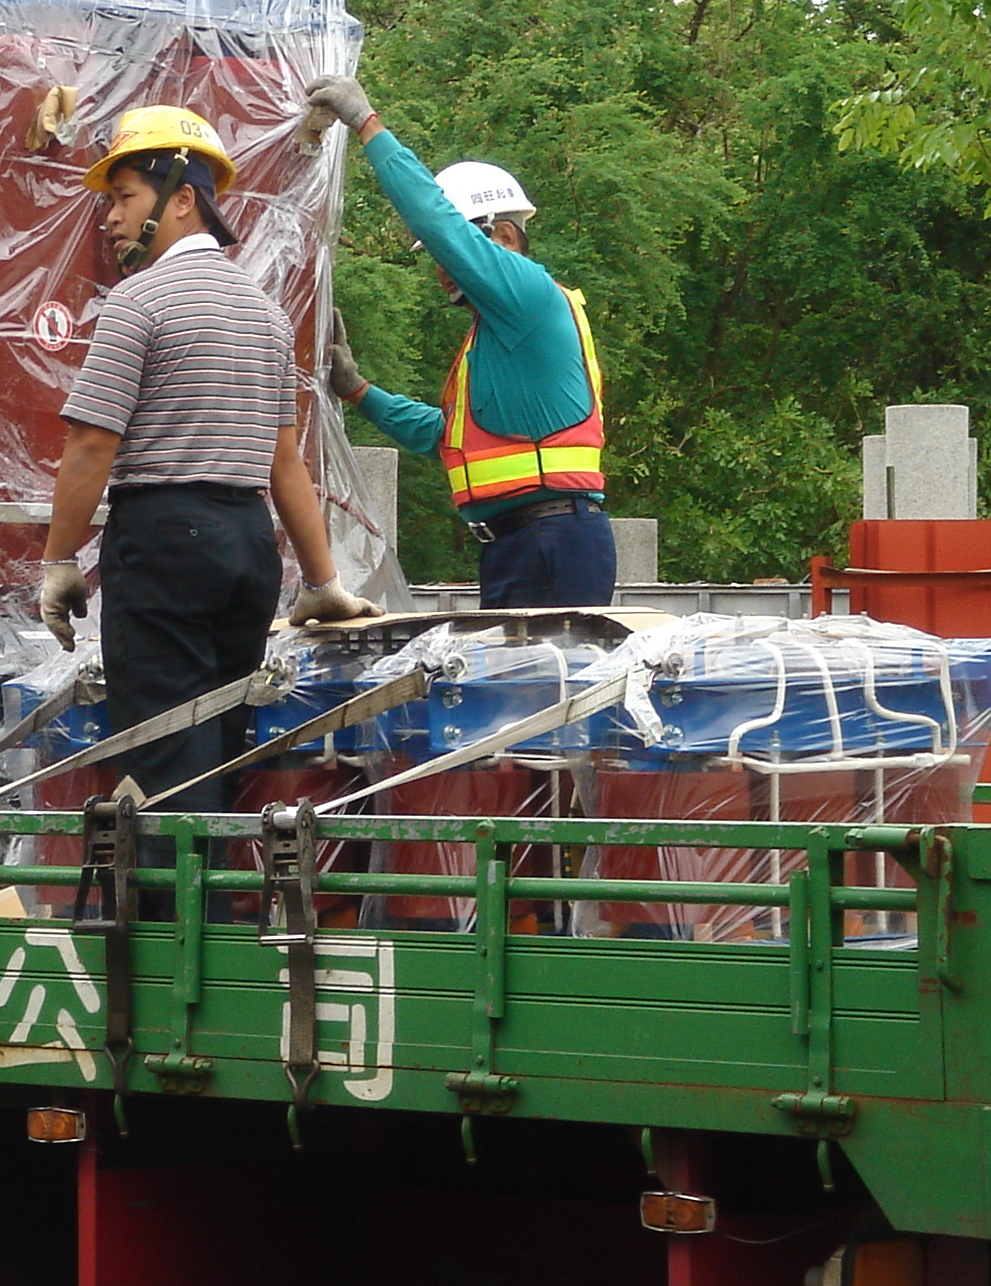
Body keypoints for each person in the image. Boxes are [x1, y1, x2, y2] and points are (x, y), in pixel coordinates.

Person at [38, 106, 377, 815]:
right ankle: (216, 916)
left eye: (124, 197)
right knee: (217, 755)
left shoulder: (137, 302)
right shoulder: (266, 313)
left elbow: (92, 443)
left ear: (183, 198)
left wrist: (59, 559)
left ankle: (176, 924)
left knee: (163, 763)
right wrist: (320, 581)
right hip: (247, 549)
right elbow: (287, 462)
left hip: (164, 545)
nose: (111, 218)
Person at [305, 74, 615, 610]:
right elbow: (449, 437)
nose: (443, 267)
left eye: (451, 253)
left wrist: (367, 124)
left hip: (555, 540)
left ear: (506, 238)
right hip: (521, 544)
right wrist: (358, 391)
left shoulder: (528, 294)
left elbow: (437, 219)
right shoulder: (495, 338)